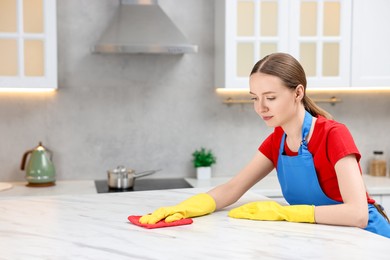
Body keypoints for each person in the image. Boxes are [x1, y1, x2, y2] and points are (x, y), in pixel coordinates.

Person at [139, 53, 390, 238]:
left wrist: (287, 213)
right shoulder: (277, 141)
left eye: (270, 98)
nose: (260, 108)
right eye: (255, 98)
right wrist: (188, 208)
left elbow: (357, 214)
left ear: (298, 92)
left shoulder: (333, 135)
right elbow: (234, 187)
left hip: (368, 239)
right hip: (328, 239)